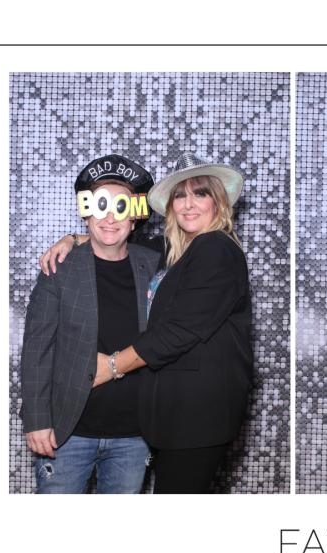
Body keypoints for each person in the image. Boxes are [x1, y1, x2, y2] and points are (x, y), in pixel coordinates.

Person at [89, 153, 254, 493]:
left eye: (200, 193)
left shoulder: (216, 249)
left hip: (198, 415)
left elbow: (179, 331)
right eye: (180, 195)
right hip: (176, 415)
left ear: (218, 202)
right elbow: (120, 242)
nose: (188, 204)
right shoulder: (180, 251)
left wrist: (113, 366)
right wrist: (75, 239)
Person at [20, 154, 157, 493]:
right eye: (99, 206)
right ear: (85, 213)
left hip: (134, 436)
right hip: (67, 433)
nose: (110, 217)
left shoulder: (155, 265)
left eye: (121, 208)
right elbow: (37, 349)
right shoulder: (60, 268)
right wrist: (37, 420)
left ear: (135, 218)